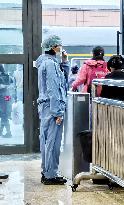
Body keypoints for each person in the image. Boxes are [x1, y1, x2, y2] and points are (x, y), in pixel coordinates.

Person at [36, 35, 67, 185]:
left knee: (46, 141)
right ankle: (50, 175)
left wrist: (64, 62)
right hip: (52, 107)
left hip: (45, 107)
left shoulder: (44, 62)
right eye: (59, 45)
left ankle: (46, 171)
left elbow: (59, 83)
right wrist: (58, 112)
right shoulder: (51, 65)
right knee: (53, 143)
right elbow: (54, 89)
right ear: (54, 47)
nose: (61, 48)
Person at [0, 64, 13, 138]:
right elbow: (10, 84)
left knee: (3, 114)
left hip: (2, 96)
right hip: (7, 96)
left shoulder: (2, 77)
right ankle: (1, 131)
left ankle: (8, 132)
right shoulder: (6, 76)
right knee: (4, 113)